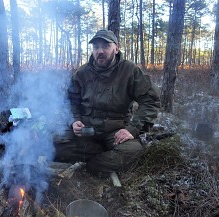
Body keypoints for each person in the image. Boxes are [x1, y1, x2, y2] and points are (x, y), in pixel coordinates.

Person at [54, 29, 160, 177]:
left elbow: (150, 101)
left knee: (133, 151)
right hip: (86, 131)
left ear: (116, 48)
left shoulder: (129, 71)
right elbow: (71, 101)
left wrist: (132, 129)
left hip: (115, 133)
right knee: (54, 143)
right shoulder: (81, 73)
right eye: (96, 47)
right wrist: (74, 120)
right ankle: (101, 155)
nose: (100, 51)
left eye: (105, 46)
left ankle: (90, 165)